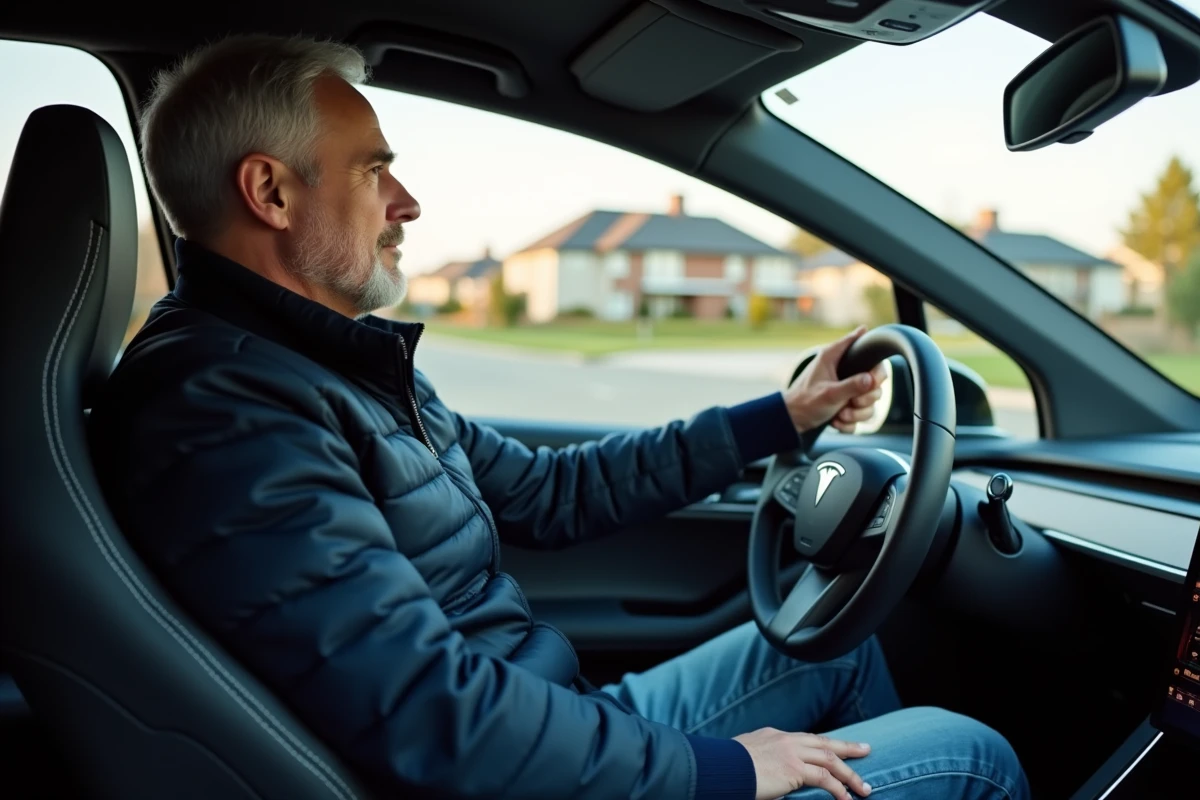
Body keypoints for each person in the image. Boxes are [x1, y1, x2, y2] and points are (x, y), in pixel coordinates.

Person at [89, 34, 1030, 800]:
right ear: (272, 192)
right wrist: (725, 771)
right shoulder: (226, 414)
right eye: (375, 170)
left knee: (840, 648)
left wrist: (781, 417)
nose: (407, 203)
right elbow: (430, 714)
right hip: (511, 767)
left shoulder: (328, 363)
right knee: (966, 753)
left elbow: (548, 491)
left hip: (554, 727)